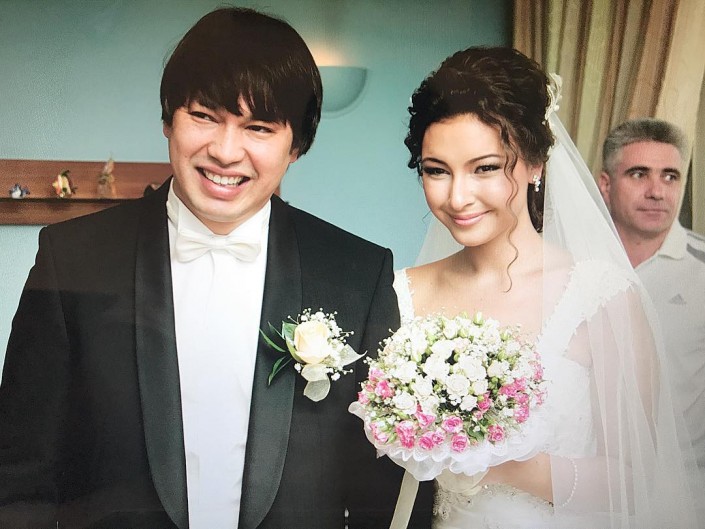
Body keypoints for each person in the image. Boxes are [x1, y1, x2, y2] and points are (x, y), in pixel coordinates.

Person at [0, 7, 431, 529]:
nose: (226, 152)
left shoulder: (357, 274)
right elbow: (20, 479)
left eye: (259, 127)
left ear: (297, 145)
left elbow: (384, 488)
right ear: (168, 119)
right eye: (204, 116)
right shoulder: (71, 258)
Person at [393, 47, 702, 528]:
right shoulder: (401, 293)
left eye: (485, 168)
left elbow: (635, 479)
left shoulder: (600, 295)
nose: (457, 196)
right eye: (437, 170)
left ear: (536, 163)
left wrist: (498, 465)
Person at [599, 118, 705, 484]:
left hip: (686, 490)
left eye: (670, 176)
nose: (657, 191)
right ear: (606, 185)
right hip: (588, 484)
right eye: (639, 174)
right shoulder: (568, 263)